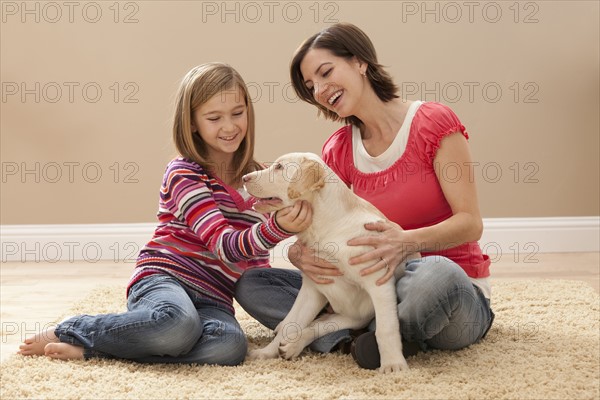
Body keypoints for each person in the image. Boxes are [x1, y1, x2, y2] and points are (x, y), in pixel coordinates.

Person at [235, 23, 494, 369]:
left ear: (359, 62)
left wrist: (403, 242)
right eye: (311, 86)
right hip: (371, 291)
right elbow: (324, 223)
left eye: (326, 72)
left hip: (446, 290)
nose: (321, 89)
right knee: (254, 282)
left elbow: (470, 223)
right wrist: (300, 254)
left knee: (432, 275)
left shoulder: (433, 123)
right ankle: (362, 334)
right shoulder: (337, 151)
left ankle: (357, 335)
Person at [18, 62, 311, 365]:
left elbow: (253, 262)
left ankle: (103, 349)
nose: (229, 126)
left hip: (215, 298)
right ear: (193, 122)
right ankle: (73, 329)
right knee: (177, 324)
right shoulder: (184, 172)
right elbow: (224, 244)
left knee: (229, 347)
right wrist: (277, 228)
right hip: (166, 278)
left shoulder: (261, 180)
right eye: (214, 117)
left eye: (238, 113)